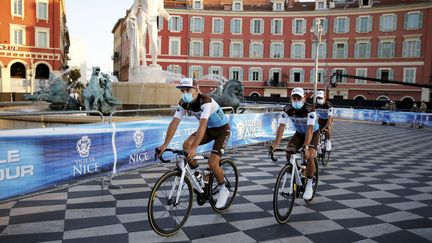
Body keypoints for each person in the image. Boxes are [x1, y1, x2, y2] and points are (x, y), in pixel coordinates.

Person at [157, 78, 231, 208]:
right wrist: (164, 144)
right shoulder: (184, 103)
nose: (185, 93)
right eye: (183, 90)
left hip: (222, 131)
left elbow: (202, 125)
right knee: (186, 146)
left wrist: (194, 148)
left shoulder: (205, 101)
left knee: (213, 162)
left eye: (188, 90)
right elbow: (174, 122)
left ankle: (223, 188)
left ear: (196, 90)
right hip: (208, 130)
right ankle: (197, 173)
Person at [271, 87, 320, 200]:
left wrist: (306, 146)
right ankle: (297, 171)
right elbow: (281, 127)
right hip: (299, 133)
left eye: (299, 98)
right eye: (294, 98)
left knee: (309, 156)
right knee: (288, 153)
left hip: (313, 133)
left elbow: (310, 129)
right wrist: (275, 145)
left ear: (304, 98)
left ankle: (309, 183)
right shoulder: (287, 109)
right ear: (291, 98)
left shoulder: (310, 109)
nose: (296, 100)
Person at [129, 0, 170, 68]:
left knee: (154, 41)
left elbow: (161, 9)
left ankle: (154, 63)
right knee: (141, 41)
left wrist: (166, 15)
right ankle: (144, 63)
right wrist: (132, 15)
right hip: (143, 15)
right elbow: (135, 6)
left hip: (153, 18)